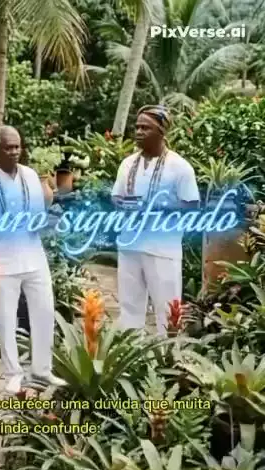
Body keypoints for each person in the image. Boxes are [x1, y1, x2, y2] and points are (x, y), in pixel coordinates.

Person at [0, 125, 67, 394]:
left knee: (45, 312)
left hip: (33, 255)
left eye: (17, 146)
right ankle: (13, 373)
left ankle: (42, 370)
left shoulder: (31, 176)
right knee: (6, 317)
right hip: (1, 259)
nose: (14, 151)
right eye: (8, 147)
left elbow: (38, 215)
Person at [111, 105, 200, 334]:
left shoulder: (180, 167)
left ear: (161, 131)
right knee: (129, 308)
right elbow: (116, 196)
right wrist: (125, 205)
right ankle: (132, 351)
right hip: (129, 245)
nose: (139, 132)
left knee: (167, 310)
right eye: (137, 127)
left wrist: (156, 208)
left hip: (163, 249)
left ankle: (167, 353)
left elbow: (191, 206)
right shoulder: (127, 163)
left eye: (146, 128)